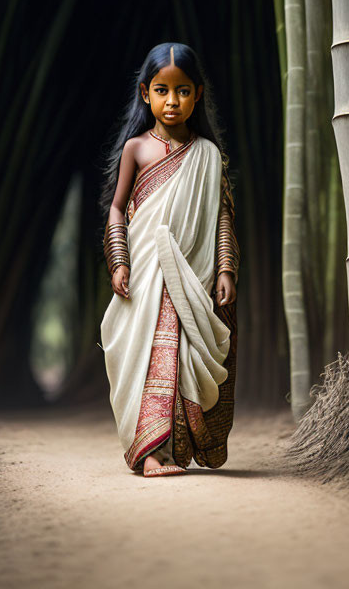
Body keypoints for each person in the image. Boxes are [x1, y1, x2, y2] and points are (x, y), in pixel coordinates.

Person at [99, 42, 240, 478]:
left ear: (197, 94)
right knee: (148, 354)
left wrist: (225, 268)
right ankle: (149, 454)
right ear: (146, 94)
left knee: (180, 357)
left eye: (182, 91)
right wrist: (119, 260)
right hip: (146, 272)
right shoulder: (136, 149)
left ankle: (172, 449)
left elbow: (220, 215)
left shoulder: (209, 156)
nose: (172, 101)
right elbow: (118, 208)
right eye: (162, 90)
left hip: (192, 276)